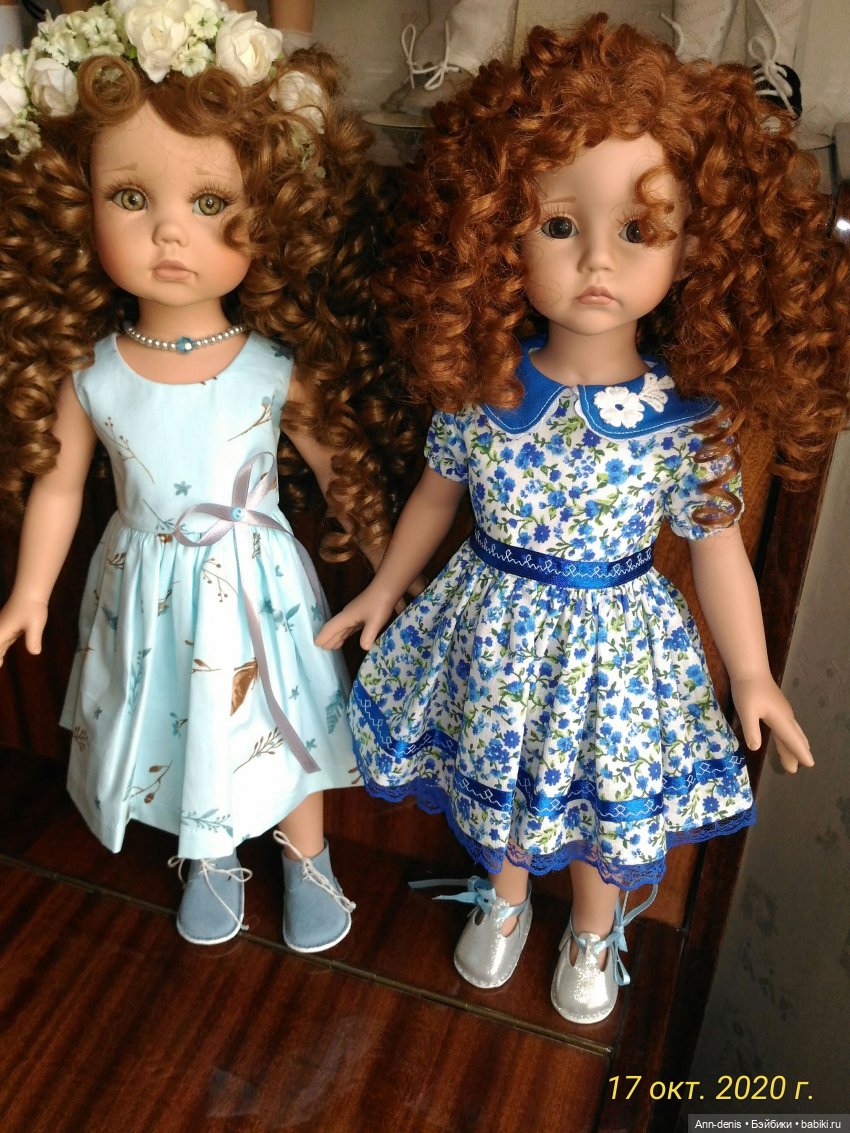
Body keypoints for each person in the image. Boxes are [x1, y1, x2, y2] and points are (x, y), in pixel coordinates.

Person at [316, 14, 850, 1023]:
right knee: (498, 771)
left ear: (698, 246)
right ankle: (505, 897)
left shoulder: (683, 420)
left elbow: (718, 548)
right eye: (560, 225)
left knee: (603, 803)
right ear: (497, 230)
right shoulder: (484, 387)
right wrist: (385, 586)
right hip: (491, 626)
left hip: (614, 651)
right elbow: (436, 492)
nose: (598, 260)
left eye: (639, 230)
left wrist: (750, 673)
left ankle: (596, 931)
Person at [0, 0, 419, 952]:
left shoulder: (270, 367)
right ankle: (211, 852)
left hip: (258, 588)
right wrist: (29, 591)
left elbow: (340, 468)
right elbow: (59, 485)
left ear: (271, 209)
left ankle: (308, 855)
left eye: (209, 203)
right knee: (184, 723)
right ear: (77, 202)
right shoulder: (92, 372)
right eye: (131, 198)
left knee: (282, 725)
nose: (169, 235)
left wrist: (392, 566)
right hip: (144, 593)